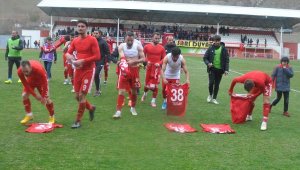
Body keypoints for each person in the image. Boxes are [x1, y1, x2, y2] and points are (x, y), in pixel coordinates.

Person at [66, 20, 100, 128]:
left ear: (86, 28)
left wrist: (83, 61)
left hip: (89, 70)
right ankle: (90, 108)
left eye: (82, 26)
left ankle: (77, 121)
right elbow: (68, 52)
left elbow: (97, 56)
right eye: (79, 26)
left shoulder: (92, 40)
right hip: (78, 70)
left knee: (81, 95)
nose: (80, 28)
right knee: (77, 96)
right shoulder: (75, 40)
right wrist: (69, 57)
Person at [113, 31, 145, 119]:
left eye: (131, 39)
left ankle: (133, 108)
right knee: (121, 91)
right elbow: (122, 56)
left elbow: (143, 58)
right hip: (124, 70)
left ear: (133, 39)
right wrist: (123, 62)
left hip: (134, 70)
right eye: (128, 39)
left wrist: (134, 61)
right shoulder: (121, 46)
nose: (130, 41)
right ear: (125, 39)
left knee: (134, 91)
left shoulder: (138, 46)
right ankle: (118, 111)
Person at [141, 32, 166, 107]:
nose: (157, 39)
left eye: (158, 38)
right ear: (152, 38)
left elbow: (164, 58)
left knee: (155, 86)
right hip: (149, 68)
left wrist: (159, 63)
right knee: (147, 85)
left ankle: (153, 101)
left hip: (156, 69)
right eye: (156, 38)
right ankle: (145, 94)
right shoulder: (147, 46)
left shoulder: (162, 48)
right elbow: (143, 56)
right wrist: (146, 61)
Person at [203, 35, 229, 104]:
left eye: (218, 41)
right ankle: (210, 95)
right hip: (212, 69)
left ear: (220, 41)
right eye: (216, 41)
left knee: (217, 84)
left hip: (220, 70)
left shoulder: (224, 49)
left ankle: (214, 98)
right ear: (214, 41)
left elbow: (227, 60)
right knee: (211, 83)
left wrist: (226, 70)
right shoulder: (210, 48)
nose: (217, 42)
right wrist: (208, 63)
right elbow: (205, 58)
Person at [93, 30, 110, 96]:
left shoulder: (103, 42)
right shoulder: (92, 41)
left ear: (100, 34)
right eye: (94, 33)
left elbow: (108, 52)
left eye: (96, 33)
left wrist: (107, 61)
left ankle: (98, 90)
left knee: (96, 74)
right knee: (95, 75)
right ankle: (97, 89)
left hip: (101, 60)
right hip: (93, 61)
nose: (95, 34)